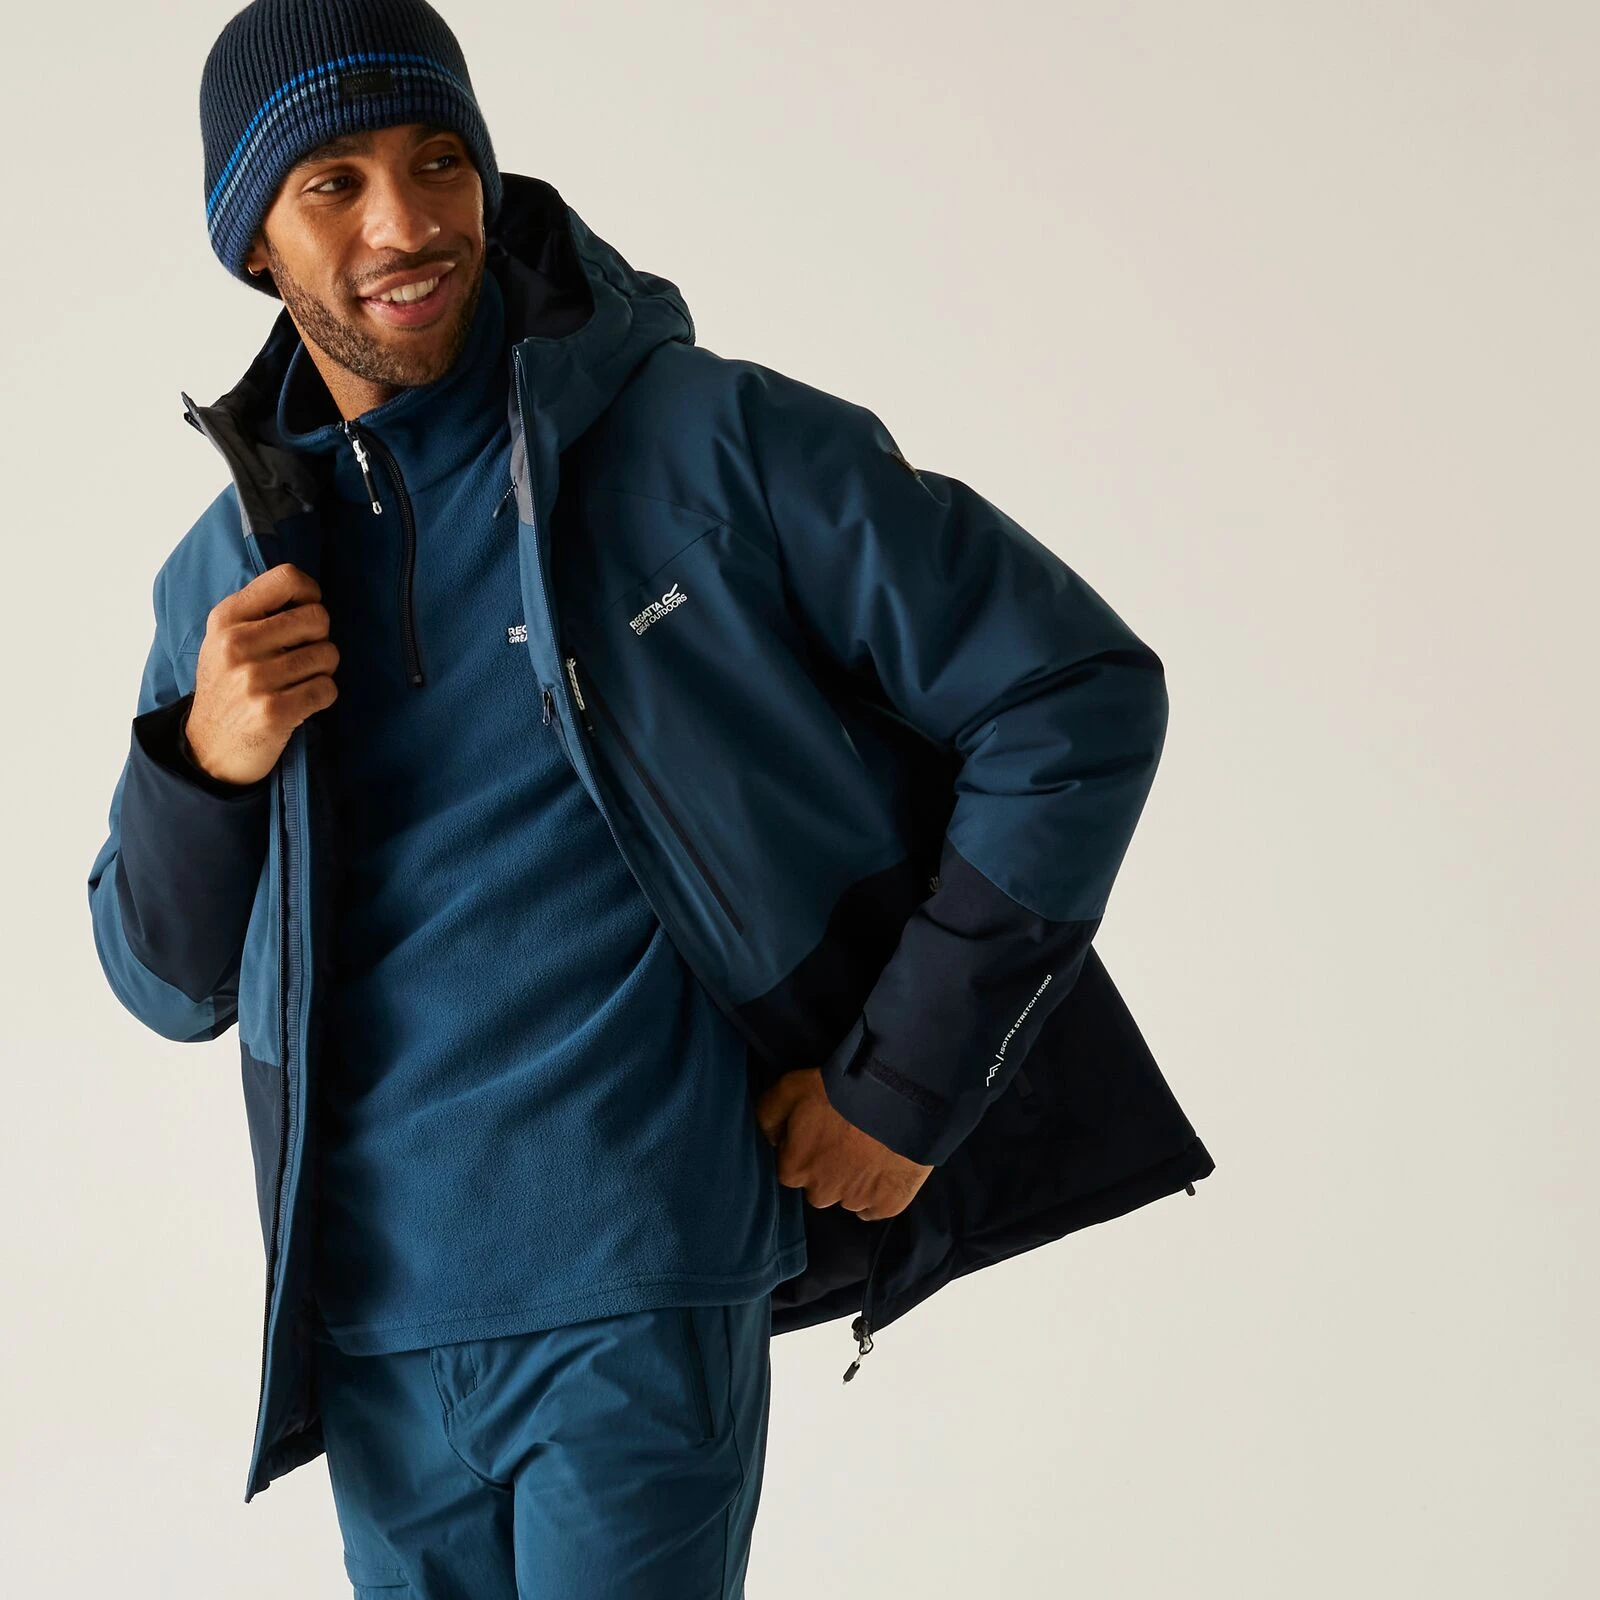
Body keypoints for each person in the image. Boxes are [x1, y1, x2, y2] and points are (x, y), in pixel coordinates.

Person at [86, 0, 1214, 1593]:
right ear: (254, 246)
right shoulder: (227, 577)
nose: (406, 223)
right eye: (333, 184)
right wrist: (201, 764)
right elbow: (162, 983)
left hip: (637, 1285)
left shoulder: (704, 441)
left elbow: (1073, 694)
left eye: (438, 161)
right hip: (370, 1333)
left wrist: (904, 1083)